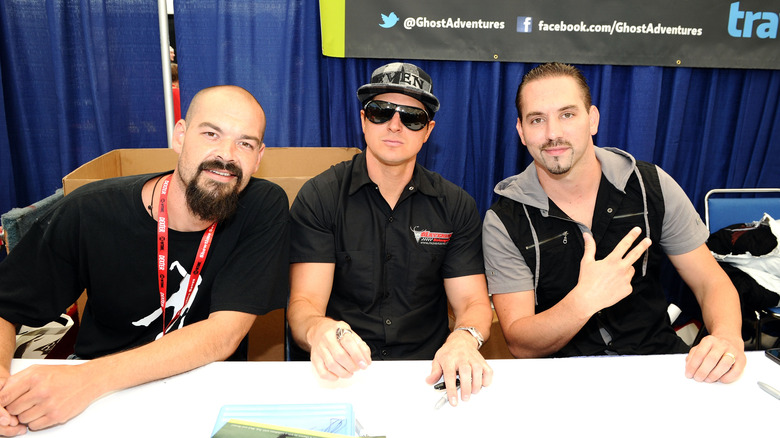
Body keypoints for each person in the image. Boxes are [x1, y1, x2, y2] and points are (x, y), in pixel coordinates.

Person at [0, 85, 290, 434]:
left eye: (244, 143)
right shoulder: (91, 211)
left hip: (200, 392)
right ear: (180, 136)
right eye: (211, 133)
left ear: (258, 157)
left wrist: (87, 380)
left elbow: (223, 334)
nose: (226, 155)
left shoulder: (262, 207)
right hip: (96, 400)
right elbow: (5, 307)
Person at [483, 62, 745, 383]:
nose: (553, 133)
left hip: (658, 365)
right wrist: (584, 301)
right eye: (538, 120)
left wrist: (728, 337)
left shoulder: (651, 186)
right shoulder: (504, 219)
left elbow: (711, 282)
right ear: (522, 132)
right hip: (563, 381)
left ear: (592, 120)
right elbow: (519, 341)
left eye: (567, 114)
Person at [287, 62, 494, 407]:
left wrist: (464, 337)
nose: (395, 125)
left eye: (411, 117)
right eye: (381, 111)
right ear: (363, 120)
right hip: (342, 374)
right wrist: (318, 329)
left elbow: (472, 303)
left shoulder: (455, 205)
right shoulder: (320, 197)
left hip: (428, 375)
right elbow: (304, 305)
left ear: (427, 131)